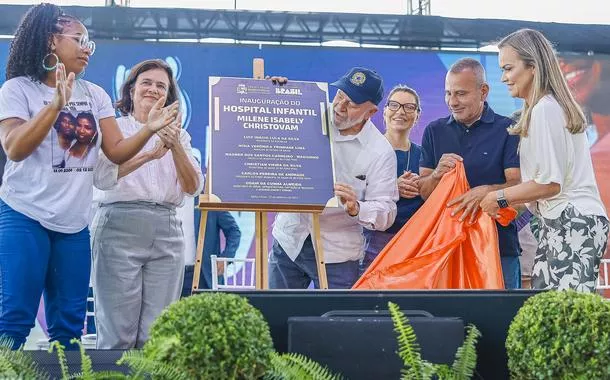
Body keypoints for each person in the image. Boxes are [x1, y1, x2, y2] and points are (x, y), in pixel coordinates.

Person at [0, 4, 178, 350]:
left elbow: (116, 152)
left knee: (69, 328)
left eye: (89, 43)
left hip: (74, 225)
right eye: (79, 40)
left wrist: (149, 130)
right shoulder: (17, 89)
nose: (87, 49)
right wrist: (54, 106)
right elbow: (15, 149)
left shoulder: (94, 94)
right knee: (14, 319)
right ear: (52, 41)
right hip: (24, 215)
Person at [480, 28, 609, 292]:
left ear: (533, 67)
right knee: (549, 308)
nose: (503, 78)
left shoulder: (545, 109)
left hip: (572, 220)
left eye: (508, 68)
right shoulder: (542, 109)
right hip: (562, 221)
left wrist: (498, 197)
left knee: (565, 318)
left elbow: (550, 184)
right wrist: (510, 207)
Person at [91, 59, 203, 349]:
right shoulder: (114, 129)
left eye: (161, 86)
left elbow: (193, 187)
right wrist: (149, 154)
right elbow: (102, 177)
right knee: (117, 333)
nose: (153, 90)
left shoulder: (182, 136)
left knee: (159, 335)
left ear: (169, 96)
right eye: (146, 83)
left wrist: (175, 144)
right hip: (118, 226)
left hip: (167, 228)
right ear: (131, 90)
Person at [269, 67, 399, 289]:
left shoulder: (381, 152)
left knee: (337, 321)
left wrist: (356, 207)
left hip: (337, 255)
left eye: (352, 104)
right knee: (273, 319)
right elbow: (266, 124)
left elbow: (387, 212)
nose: (340, 106)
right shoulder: (308, 114)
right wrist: (273, 94)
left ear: (371, 112)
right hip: (289, 240)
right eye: (340, 95)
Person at [418, 58, 522, 289]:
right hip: (445, 249)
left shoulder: (509, 130)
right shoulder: (434, 131)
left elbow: (517, 186)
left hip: (498, 247)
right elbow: (424, 193)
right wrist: (436, 175)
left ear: (483, 91)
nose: (452, 102)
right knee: (449, 322)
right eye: (448, 94)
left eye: (461, 94)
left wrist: (486, 193)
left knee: (501, 320)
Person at [361, 85, 425, 273]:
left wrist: (425, 186)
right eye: (395, 105)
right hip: (374, 242)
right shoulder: (366, 150)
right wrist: (392, 187)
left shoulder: (424, 156)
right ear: (385, 111)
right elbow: (352, 194)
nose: (401, 112)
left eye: (409, 107)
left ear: (417, 115)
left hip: (414, 245)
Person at [181, 210, 241, 296]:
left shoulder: (209, 200)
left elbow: (234, 231)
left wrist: (226, 257)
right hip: (171, 273)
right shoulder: (166, 199)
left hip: (203, 275)